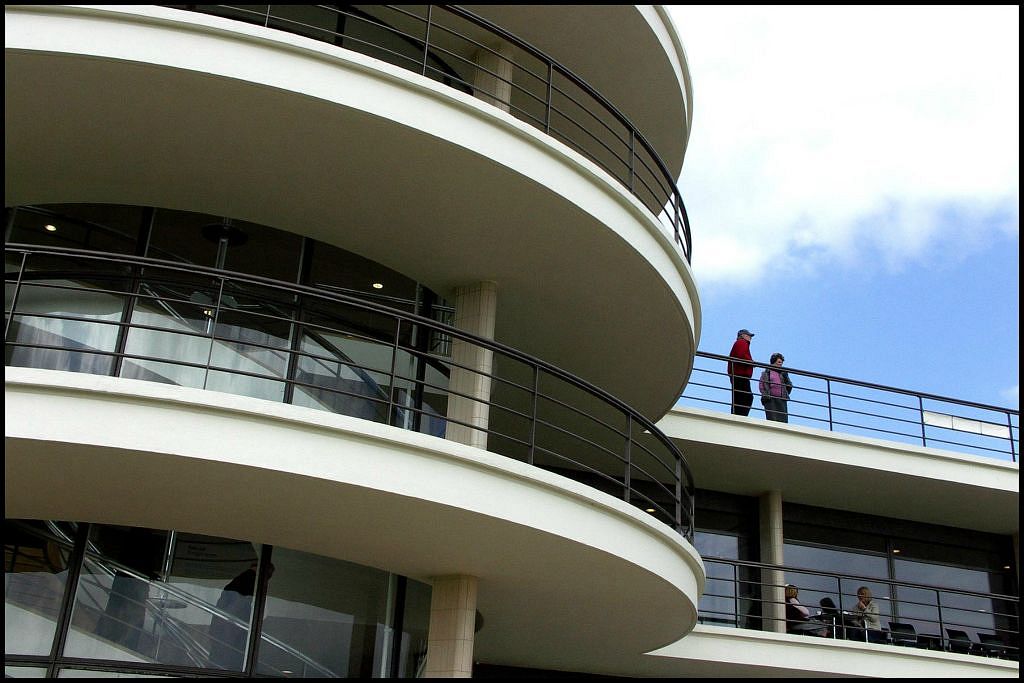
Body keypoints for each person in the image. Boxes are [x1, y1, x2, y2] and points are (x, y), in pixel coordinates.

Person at [759, 352, 794, 422]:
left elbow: (789, 386)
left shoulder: (783, 373)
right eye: (779, 362)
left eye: (781, 363)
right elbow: (762, 385)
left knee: (783, 420)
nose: (780, 364)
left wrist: (786, 377)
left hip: (782, 399)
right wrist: (765, 394)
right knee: (772, 419)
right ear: (774, 362)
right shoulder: (767, 372)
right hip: (770, 399)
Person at [728, 329, 755, 416]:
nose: (750, 337)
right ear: (742, 335)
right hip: (740, 375)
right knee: (746, 397)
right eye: (748, 335)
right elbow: (741, 355)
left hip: (738, 375)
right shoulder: (742, 343)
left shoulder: (740, 343)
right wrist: (751, 362)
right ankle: (739, 416)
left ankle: (737, 415)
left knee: (740, 398)